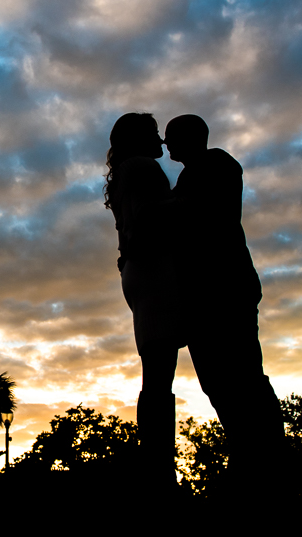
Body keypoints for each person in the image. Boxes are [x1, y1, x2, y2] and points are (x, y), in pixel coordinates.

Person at [162, 114, 284, 497]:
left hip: (225, 290)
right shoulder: (191, 174)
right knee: (218, 382)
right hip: (203, 295)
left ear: (191, 137)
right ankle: (248, 457)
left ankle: (267, 463)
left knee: (244, 378)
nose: (167, 147)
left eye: (171, 139)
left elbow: (191, 214)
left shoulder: (217, 164)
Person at [103, 112, 184, 497]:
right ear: (139, 138)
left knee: (157, 371)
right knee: (157, 375)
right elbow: (147, 218)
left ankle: (156, 468)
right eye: (154, 132)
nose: (161, 139)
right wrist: (187, 199)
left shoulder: (127, 171)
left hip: (139, 272)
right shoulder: (142, 167)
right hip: (152, 270)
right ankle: (157, 472)